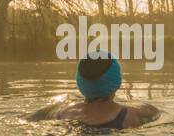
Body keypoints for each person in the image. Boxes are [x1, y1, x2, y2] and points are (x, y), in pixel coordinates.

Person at [30, 50, 158, 129]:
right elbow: (154, 113)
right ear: (117, 82)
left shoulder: (61, 111)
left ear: (80, 83)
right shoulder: (131, 115)